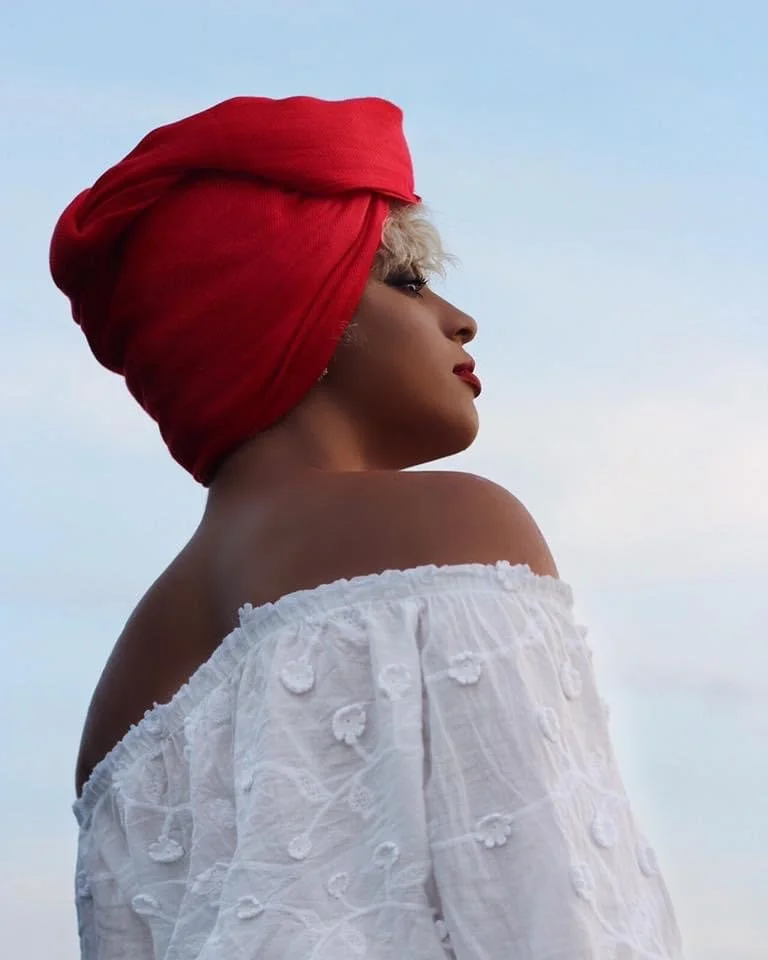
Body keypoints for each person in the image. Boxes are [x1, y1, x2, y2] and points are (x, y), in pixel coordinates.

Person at [50, 95, 683, 959]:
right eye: (407, 281)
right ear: (292, 310)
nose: (459, 320)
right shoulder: (453, 529)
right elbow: (563, 923)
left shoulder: (114, 715)